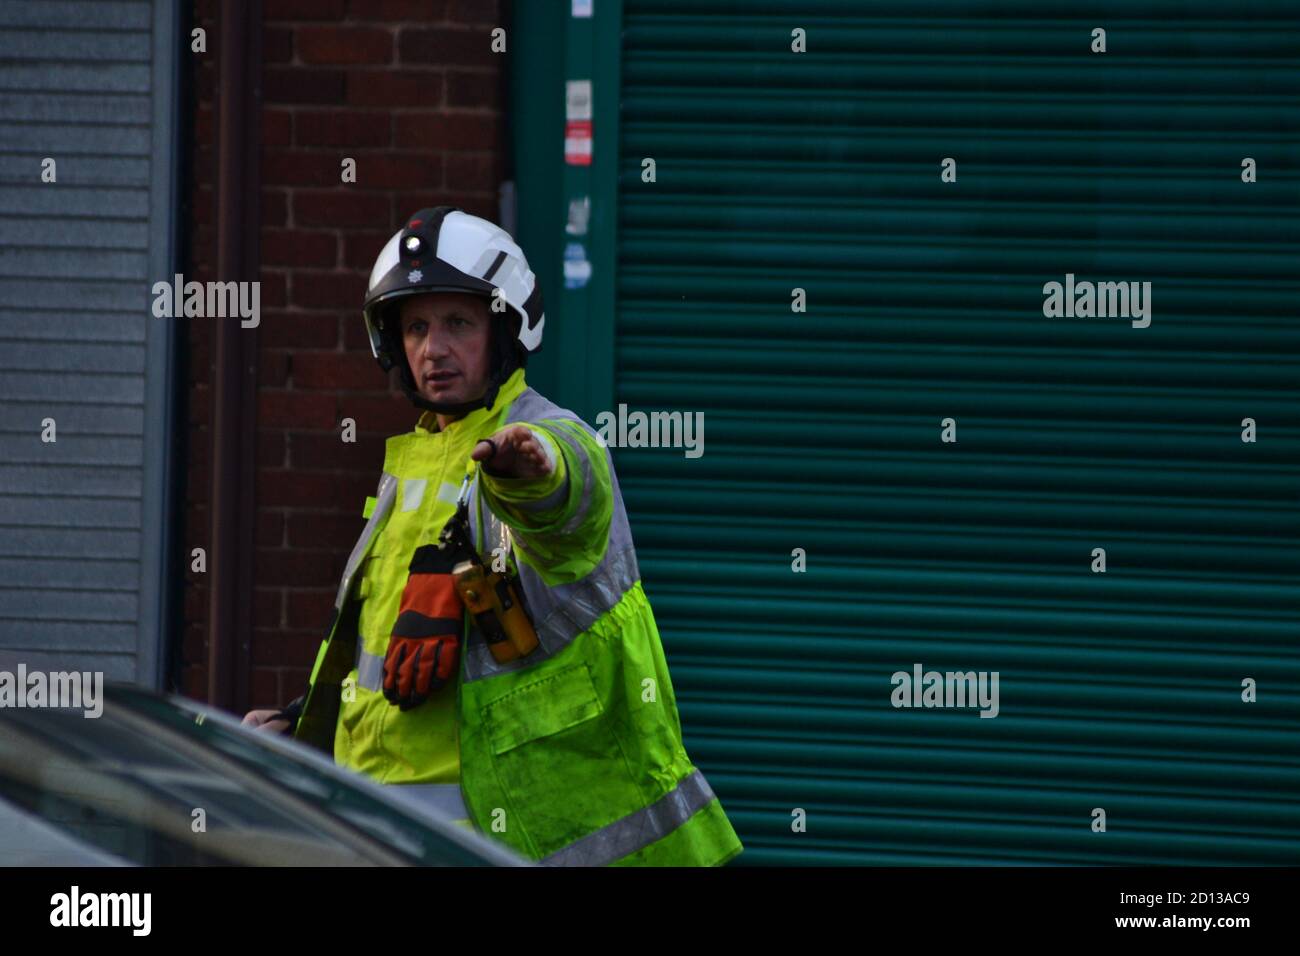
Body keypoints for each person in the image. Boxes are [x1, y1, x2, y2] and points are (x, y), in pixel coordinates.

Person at [243, 206, 743, 867]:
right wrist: (305, 719)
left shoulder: (552, 435)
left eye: (458, 324)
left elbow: (569, 495)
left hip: (489, 817)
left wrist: (529, 471)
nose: (433, 348)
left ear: (505, 329)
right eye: (416, 326)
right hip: (381, 799)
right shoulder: (413, 460)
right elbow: (382, 630)